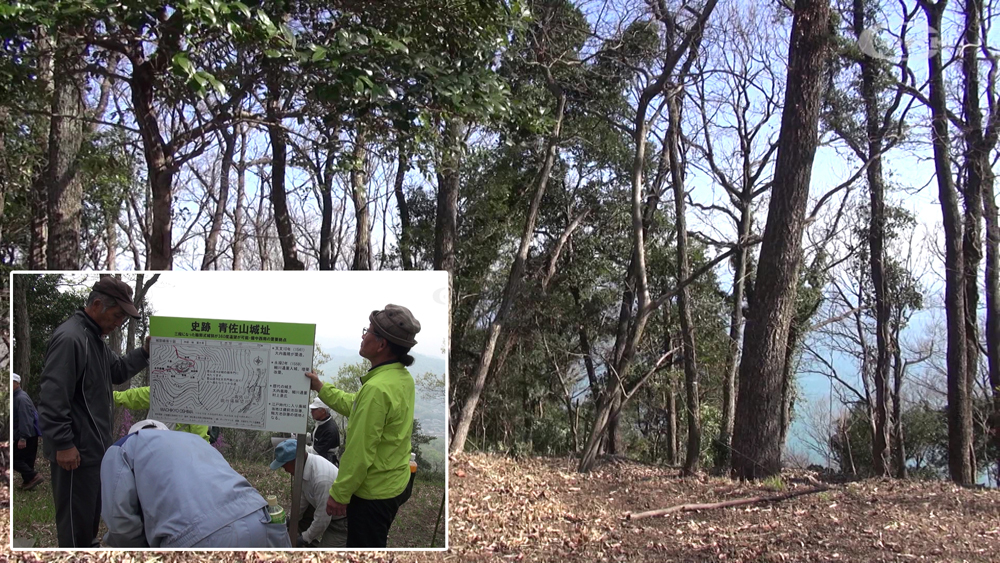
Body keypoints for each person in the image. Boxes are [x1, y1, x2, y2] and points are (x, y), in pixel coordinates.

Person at [37, 277, 151, 548]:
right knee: (76, 524)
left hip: (92, 450)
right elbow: (53, 398)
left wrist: (145, 352)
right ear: (98, 304)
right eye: (117, 315)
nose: (120, 322)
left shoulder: (94, 339)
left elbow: (118, 370)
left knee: (88, 516)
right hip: (75, 452)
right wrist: (63, 444)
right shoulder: (71, 338)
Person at [305, 303, 419, 548]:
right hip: (396, 481)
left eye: (368, 330)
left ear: (381, 344)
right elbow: (355, 405)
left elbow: (360, 452)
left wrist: (339, 494)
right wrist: (321, 388)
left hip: (373, 495)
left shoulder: (377, 389)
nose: (363, 335)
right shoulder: (400, 377)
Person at [101, 419, 292, 548]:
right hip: (262, 519)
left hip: (201, 539)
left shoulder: (122, 448)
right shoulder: (193, 439)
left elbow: (121, 521)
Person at [269, 439, 348, 547]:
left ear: (294, 461)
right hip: (323, 510)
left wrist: (306, 538)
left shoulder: (321, 479)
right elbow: (302, 498)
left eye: (284, 466)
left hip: (341, 522)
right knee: (297, 524)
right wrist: (292, 520)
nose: (284, 470)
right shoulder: (304, 468)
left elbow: (322, 518)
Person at [113, 385, 211, 443]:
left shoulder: (162, 390)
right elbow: (137, 396)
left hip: (157, 448)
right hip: (176, 452)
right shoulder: (197, 400)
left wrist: (114, 397)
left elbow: (137, 396)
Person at [12, 373, 44, 490]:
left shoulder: (20, 398)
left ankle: (33, 476)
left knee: (14, 459)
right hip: (28, 434)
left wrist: (23, 438)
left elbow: (25, 419)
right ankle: (29, 482)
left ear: (16, 383)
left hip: (27, 435)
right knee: (26, 460)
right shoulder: (18, 396)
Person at [310, 397, 341, 465]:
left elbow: (316, 452)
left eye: (314, 410)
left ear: (323, 411)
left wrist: (297, 446)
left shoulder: (330, 430)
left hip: (325, 463)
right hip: (318, 459)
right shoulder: (320, 422)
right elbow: (314, 437)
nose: (311, 412)